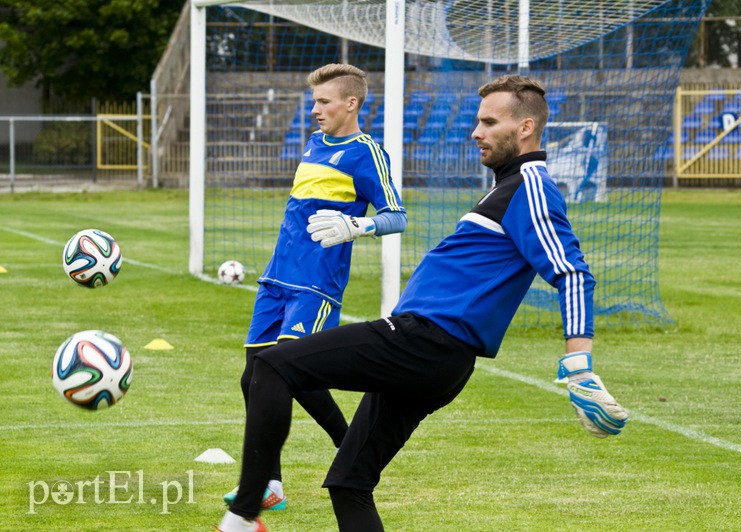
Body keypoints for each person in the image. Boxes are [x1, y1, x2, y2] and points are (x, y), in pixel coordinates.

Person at [216, 74, 628, 532]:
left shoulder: (530, 185)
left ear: (525, 128)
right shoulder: (506, 186)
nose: (477, 132)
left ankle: (246, 511)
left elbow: (571, 272)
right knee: (349, 483)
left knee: (273, 366)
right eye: (478, 122)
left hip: (425, 340)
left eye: (490, 123)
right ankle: (256, 500)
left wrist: (579, 365)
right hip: (435, 354)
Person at [223, 63, 407, 511]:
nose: (315, 109)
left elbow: (396, 215)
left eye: (324, 102)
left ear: (351, 103)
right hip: (275, 278)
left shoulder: (368, 152)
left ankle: (350, 448)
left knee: (290, 372)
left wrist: (357, 225)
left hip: (315, 285)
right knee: (254, 378)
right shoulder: (313, 143)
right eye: (314, 101)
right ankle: (270, 484)